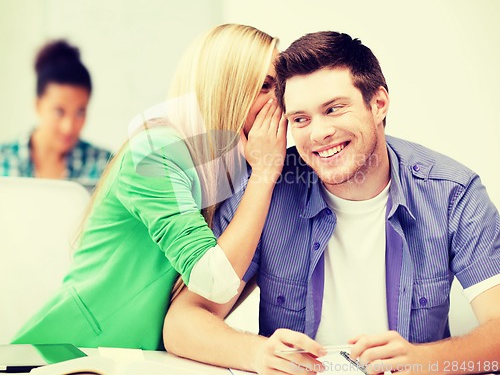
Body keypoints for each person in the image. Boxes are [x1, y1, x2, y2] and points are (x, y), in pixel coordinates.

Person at [164, 31, 500, 374]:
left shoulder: (452, 192)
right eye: (300, 119)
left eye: (334, 109)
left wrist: (423, 362)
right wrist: (257, 353)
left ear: (378, 104)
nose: (318, 133)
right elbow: (182, 321)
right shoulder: (265, 190)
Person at [12, 24, 287, 350]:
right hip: (69, 353)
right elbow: (214, 282)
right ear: (226, 87)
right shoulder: (155, 150)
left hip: (138, 358)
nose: (279, 101)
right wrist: (265, 174)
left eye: (280, 87)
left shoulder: (232, 166)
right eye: (266, 85)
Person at [0, 40, 112, 190]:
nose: (69, 127)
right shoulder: (4, 159)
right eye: (59, 112)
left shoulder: (104, 165)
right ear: (38, 106)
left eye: (80, 112)